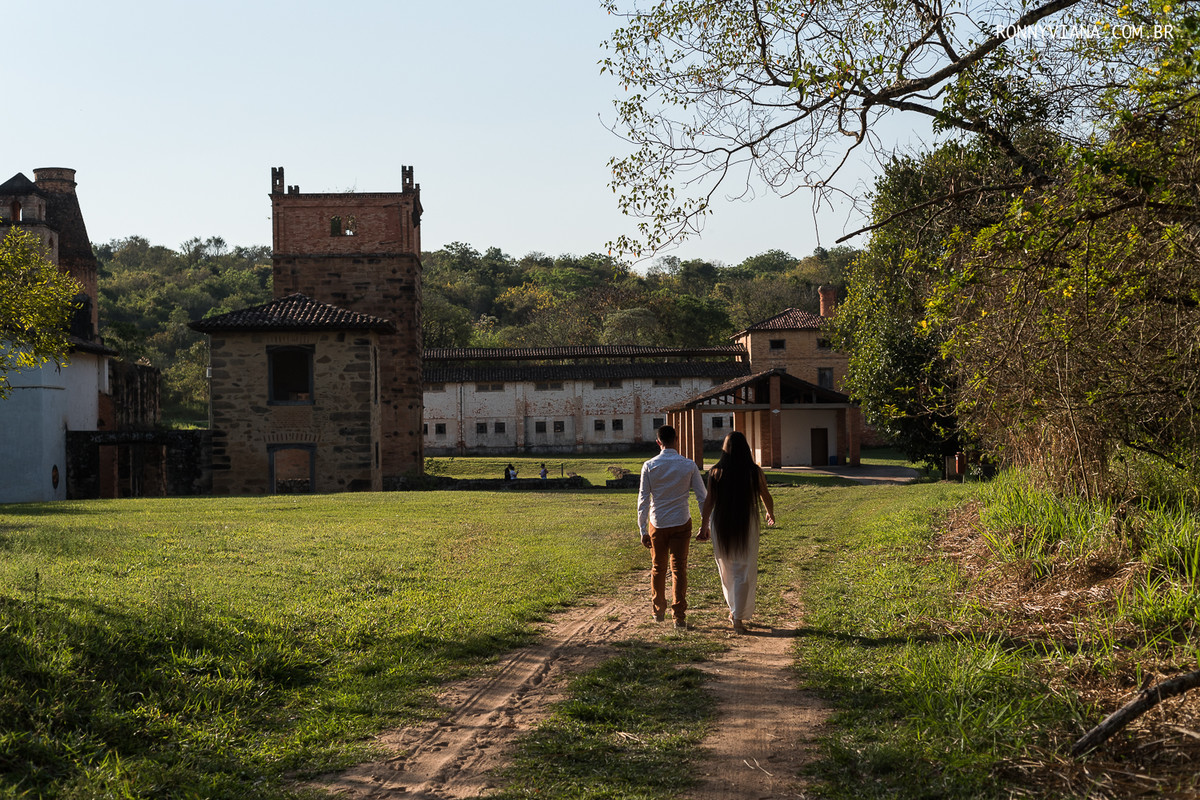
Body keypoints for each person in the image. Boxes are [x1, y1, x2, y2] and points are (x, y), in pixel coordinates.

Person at [699, 431, 775, 635]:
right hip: (747, 522)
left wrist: (704, 525)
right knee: (744, 569)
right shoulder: (753, 471)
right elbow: (765, 494)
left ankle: (734, 611)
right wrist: (770, 513)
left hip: (721, 522)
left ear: (725, 449)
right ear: (746, 449)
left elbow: (709, 502)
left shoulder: (716, 472)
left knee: (726, 569)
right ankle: (737, 616)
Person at [637, 424, 707, 629]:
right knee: (679, 569)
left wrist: (642, 529)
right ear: (677, 439)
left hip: (657, 523)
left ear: (658, 442)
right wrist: (705, 525)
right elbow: (702, 497)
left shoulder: (649, 466)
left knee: (658, 568)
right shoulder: (689, 465)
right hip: (681, 521)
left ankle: (658, 611)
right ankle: (679, 617)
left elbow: (643, 499)